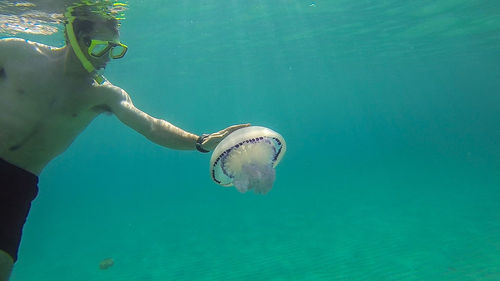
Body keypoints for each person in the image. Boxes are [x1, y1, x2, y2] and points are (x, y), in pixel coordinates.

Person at [0, 5, 248, 280]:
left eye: (114, 49)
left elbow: (152, 126)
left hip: (17, 188)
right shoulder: (15, 53)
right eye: (101, 47)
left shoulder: (104, 95)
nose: (107, 58)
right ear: (76, 38)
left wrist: (201, 141)